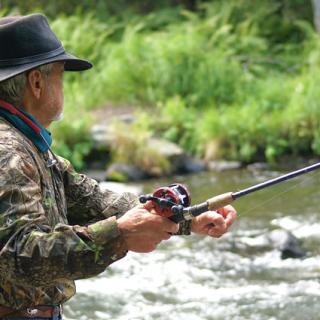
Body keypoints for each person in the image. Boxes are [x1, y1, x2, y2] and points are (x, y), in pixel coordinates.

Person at [0, 13, 237, 320]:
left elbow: (93, 201)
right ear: (36, 82)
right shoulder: (8, 151)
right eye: (60, 75)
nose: (62, 86)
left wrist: (186, 217)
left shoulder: (27, 143)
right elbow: (21, 255)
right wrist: (121, 234)